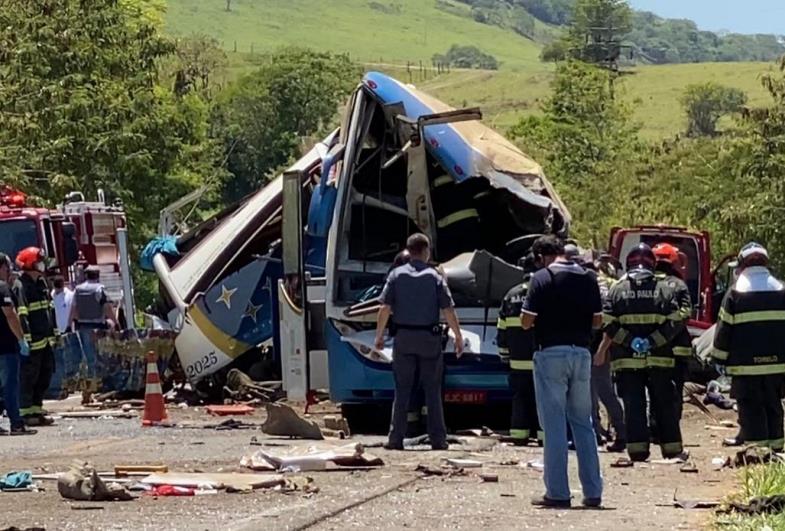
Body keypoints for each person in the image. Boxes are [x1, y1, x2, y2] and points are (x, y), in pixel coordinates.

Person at [521, 235, 603, 509]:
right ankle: (593, 492)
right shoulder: (588, 278)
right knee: (584, 423)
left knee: (554, 425)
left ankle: (558, 492)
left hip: (550, 354)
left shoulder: (542, 278)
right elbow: (598, 320)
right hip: (581, 354)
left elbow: (525, 322)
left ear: (541, 256)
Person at [375, 233, 464, 450]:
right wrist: (458, 336)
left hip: (403, 339)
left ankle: (395, 439)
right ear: (426, 251)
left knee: (402, 390)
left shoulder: (396, 275)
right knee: (432, 391)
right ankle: (438, 440)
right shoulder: (434, 277)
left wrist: (379, 336)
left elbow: (384, 308)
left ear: (409, 250)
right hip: (429, 340)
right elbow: (448, 310)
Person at [601, 243, 685, 462]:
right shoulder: (665, 288)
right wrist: (652, 342)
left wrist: (631, 342)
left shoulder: (617, 289)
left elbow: (607, 322)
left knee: (633, 405)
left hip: (627, 361)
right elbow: (675, 322)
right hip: (660, 358)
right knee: (664, 404)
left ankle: (637, 451)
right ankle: (672, 450)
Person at [712, 243, 785, 452]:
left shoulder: (736, 292)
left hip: (745, 367)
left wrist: (719, 359)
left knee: (751, 406)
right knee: (773, 404)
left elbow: (724, 329)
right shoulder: (781, 289)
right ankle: (777, 447)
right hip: (777, 366)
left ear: (742, 265)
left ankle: (756, 451)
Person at [497, 254, 542, 446]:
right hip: (541, 359)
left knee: (520, 398)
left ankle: (519, 435)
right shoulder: (543, 291)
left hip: (517, 361)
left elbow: (502, 328)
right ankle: (543, 436)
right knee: (542, 399)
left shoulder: (510, 294)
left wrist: (504, 354)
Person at [14, 247, 58, 426]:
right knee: (28, 378)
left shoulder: (42, 283)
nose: (42, 264)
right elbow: (22, 314)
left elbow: (50, 310)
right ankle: (25, 413)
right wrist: (26, 339)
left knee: (44, 376)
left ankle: (37, 410)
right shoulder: (21, 285)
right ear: (31, 263)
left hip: (46, 341)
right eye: (39, 261)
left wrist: (55, 334)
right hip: (33, 343)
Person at [652, 243, 693, 421]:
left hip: (653, 348)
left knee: (654, 390)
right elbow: (685, 314)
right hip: (677, 349)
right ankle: (671, 429)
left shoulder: (646, 283)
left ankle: (654, 427)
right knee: (675, 390)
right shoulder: (679, 285)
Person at [591, 257, 626, 452]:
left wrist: (601, 350)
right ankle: (602, 431)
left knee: (601, 391)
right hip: (603, 345)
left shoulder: (597, 287)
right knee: (600, 391)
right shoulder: (612, 284)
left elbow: (608, 323)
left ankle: (619, 432)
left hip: (598, 345)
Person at [0, 253, 35, 435]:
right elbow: (10, 315)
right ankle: (16, 424)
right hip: (5, 346)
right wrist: (21, 339)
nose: (8, 272)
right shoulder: (2, 287)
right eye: (6, 268)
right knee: (10, 387)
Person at [70, 266, 115, 382]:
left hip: (83, 327)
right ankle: (101, 381)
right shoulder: (99, 289)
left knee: (89, 357)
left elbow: (73, 310)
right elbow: (107, 308)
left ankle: (92, 381)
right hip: (98, 328)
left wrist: (71, 325)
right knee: (101, 356)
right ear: (98, 275)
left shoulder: (77, 290)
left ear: (86, 275)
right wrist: (115, 322)